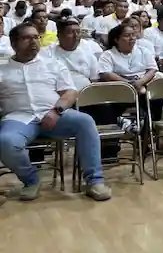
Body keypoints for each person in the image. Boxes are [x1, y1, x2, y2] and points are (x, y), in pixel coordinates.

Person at [0, 23, 112, 202]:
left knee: (85, 121)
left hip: (54, 114)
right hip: (18, 118)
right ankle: (31, 180)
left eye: (36, 37)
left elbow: (70, 92)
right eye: (27, 38)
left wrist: (57, 110)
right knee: (6, 141)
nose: (34, 42)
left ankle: (95, 182)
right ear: (14, 43)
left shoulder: (52, 64)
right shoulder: (3, 68)